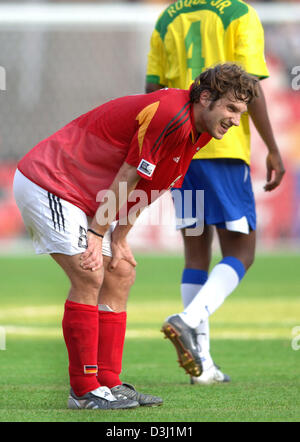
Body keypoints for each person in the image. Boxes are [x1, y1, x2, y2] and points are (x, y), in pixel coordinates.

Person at [13, 63, 257, 410]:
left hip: (85, 196)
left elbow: (153, 184)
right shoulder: (171, 114)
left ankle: (109, 384)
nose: (236, 120)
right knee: (90, 271)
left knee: (121, 271)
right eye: (231, 108)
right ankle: (84, 390)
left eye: (241, 112)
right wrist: (99, 232)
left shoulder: (199, 131)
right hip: (50, 182)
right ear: (205, 98)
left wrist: (121, 236)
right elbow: (130, 172)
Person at [146, 0, 285, 384]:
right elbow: (249, 86)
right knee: (242, 251)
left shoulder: (168, 16)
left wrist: (160, 146)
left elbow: (152, 88)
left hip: (180, 149)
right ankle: (188, 320)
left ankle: (203, 367)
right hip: (222, 152)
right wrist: (272, 147)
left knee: (196, 252)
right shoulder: (239, 13)